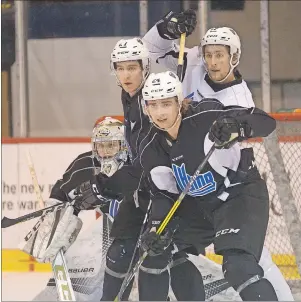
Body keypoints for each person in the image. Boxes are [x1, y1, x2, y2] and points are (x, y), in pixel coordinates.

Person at [142, 10, 294, 300]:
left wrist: (236, 128)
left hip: (231, 193)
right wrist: (168, 28)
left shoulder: (229, 103)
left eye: (219, 56)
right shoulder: (194, 64)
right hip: (200, 197)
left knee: (242, 263)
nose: (212, 62)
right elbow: (150, 52)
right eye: (154, 106)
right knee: (162, 250)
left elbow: (262, 125)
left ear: (233, 57)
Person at [74, 38, 209, 301]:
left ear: (145, 67)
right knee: (123, 252)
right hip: (142, 188)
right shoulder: (131, 97)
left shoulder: (151, 101)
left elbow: (151, 160)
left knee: (156, 256)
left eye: (132, 68)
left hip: (162, 190)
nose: (126, 74)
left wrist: (107, 186)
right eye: (120, 68)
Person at [138, 70, 279, 301]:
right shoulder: (152, 147)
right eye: (153, 105)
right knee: (156, 253)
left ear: (179, 102)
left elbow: (266, 122)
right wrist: (156, 228)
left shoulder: (206, 115)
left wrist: (236, 126)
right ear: (146, 108)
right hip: (200, 206)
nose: (160, 112)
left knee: (238, 266)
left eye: (166, 103)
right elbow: (165, 195)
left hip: (238, 195)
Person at [20, 117, 129, 299]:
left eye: (111, 145)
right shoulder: (86, 163)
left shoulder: (138, 161)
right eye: (100, 146)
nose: (105, 152)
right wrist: (52, 223)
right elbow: (61, 194)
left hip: (143, 229)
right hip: (110, 227)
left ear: (124, 145)